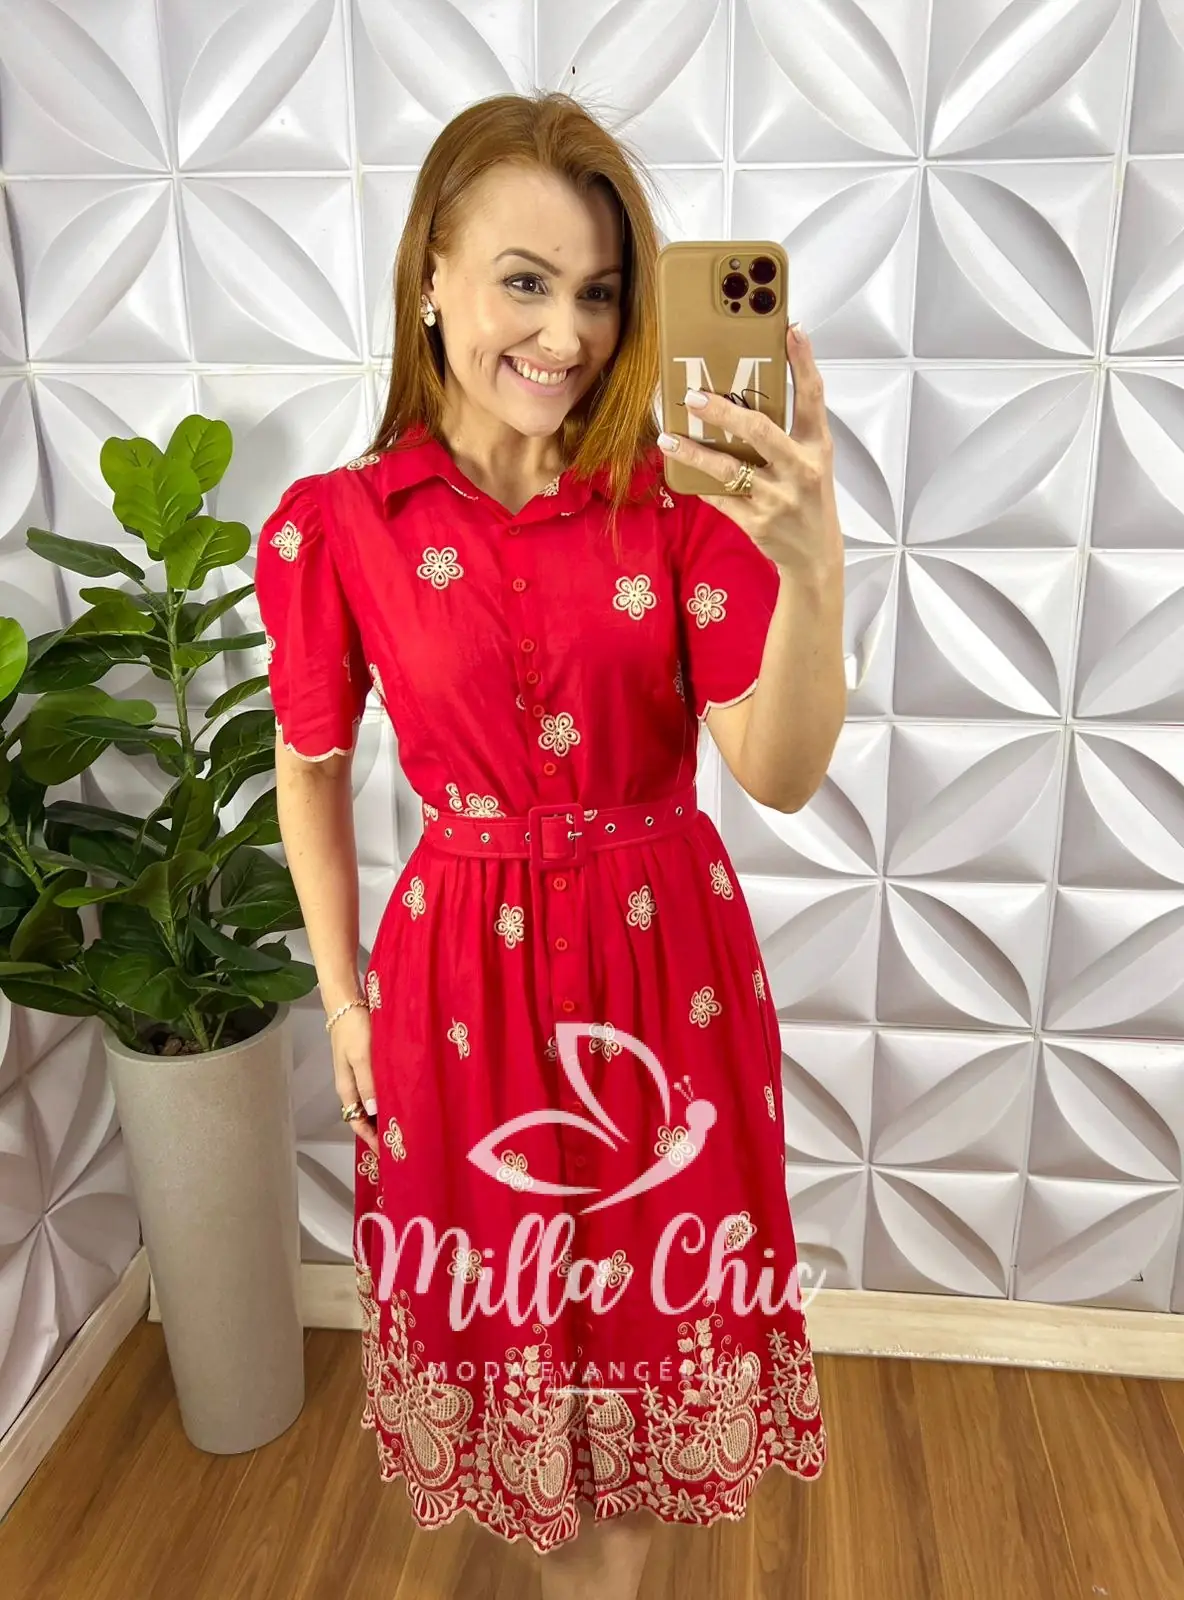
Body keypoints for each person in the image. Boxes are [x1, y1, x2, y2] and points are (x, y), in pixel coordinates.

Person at [254, 88, 845, 1599]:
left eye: (599, 292)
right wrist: (341, 1000)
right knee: (516, 1344)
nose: (566, 335)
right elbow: (309, 772)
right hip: (457, 992)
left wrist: (813, 562)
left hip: (667, 975)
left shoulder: (678, 504)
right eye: (525, 281)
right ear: (430, 276)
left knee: (645, 1355)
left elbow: (779, 774)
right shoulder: (338, 527)